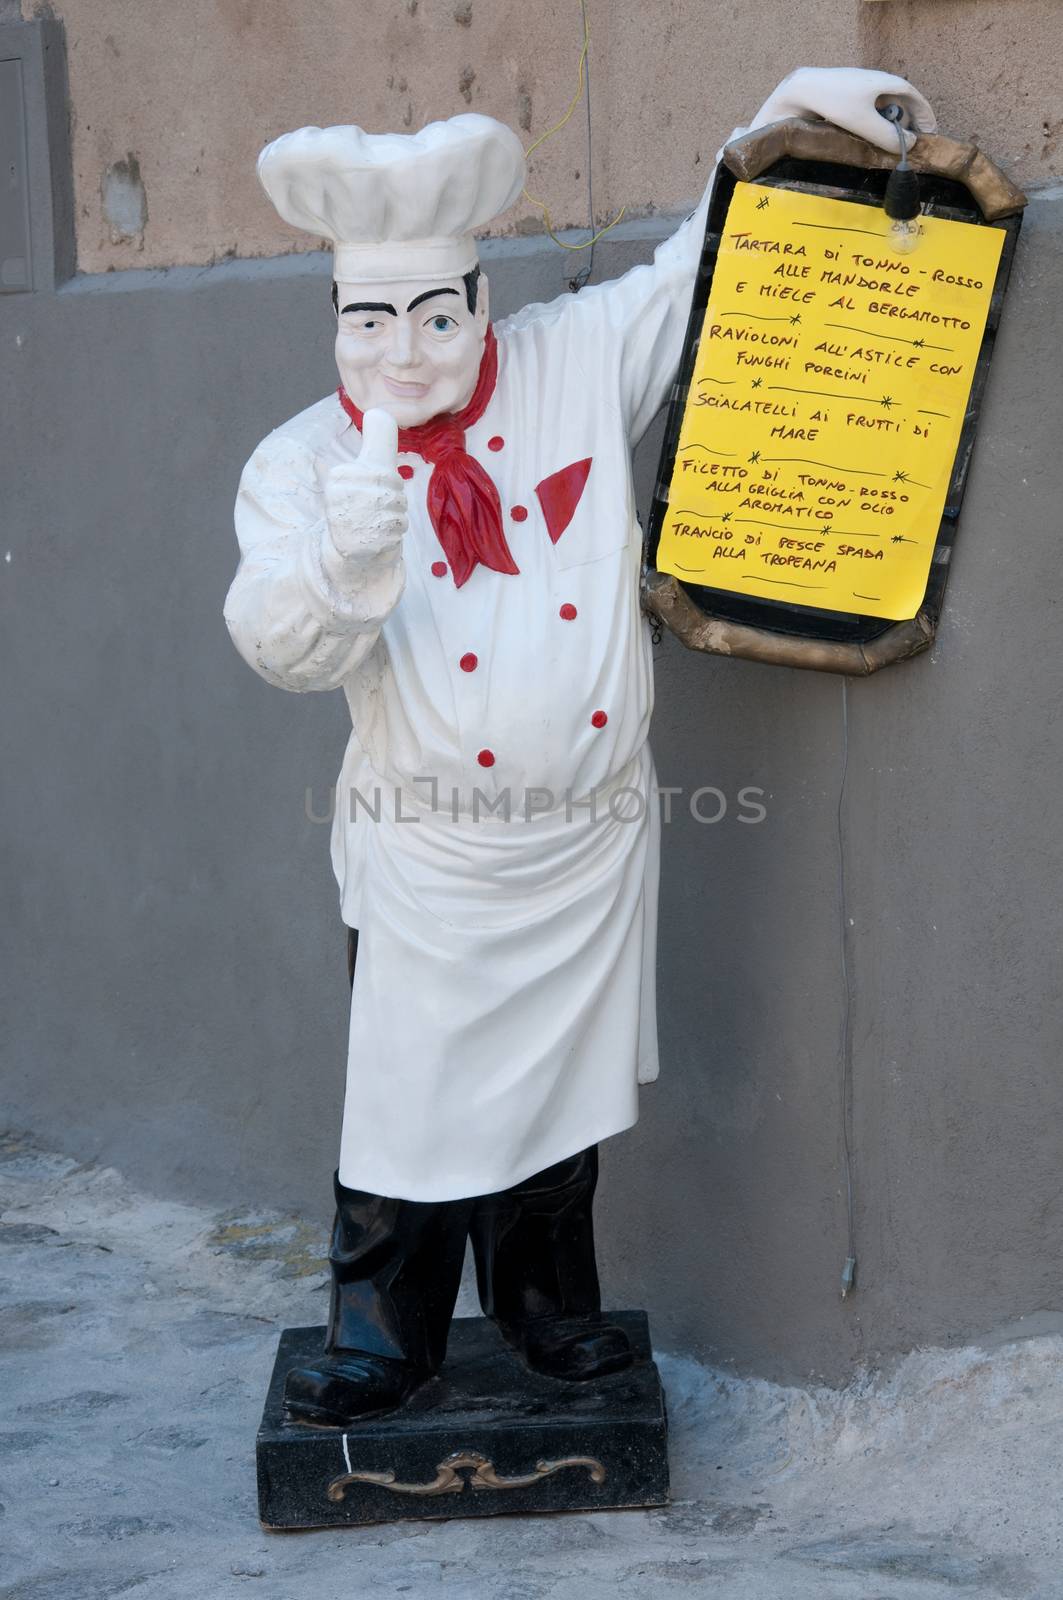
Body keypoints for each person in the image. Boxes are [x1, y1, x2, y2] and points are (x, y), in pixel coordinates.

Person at [224, 67, 935, 1424]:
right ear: (335, 318)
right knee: (406, 1103)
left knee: (561, 1108)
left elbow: (693, 276)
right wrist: (344, 557)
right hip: (432, 846)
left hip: (589, 837)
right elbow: (276, 644)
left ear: (479, 299)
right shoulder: (298, 465)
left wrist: (775, 122)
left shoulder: (571, 358)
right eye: (373, 325)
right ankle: (386, 1332)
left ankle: (553, 1314)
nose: (409, 354)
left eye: (436, 317)